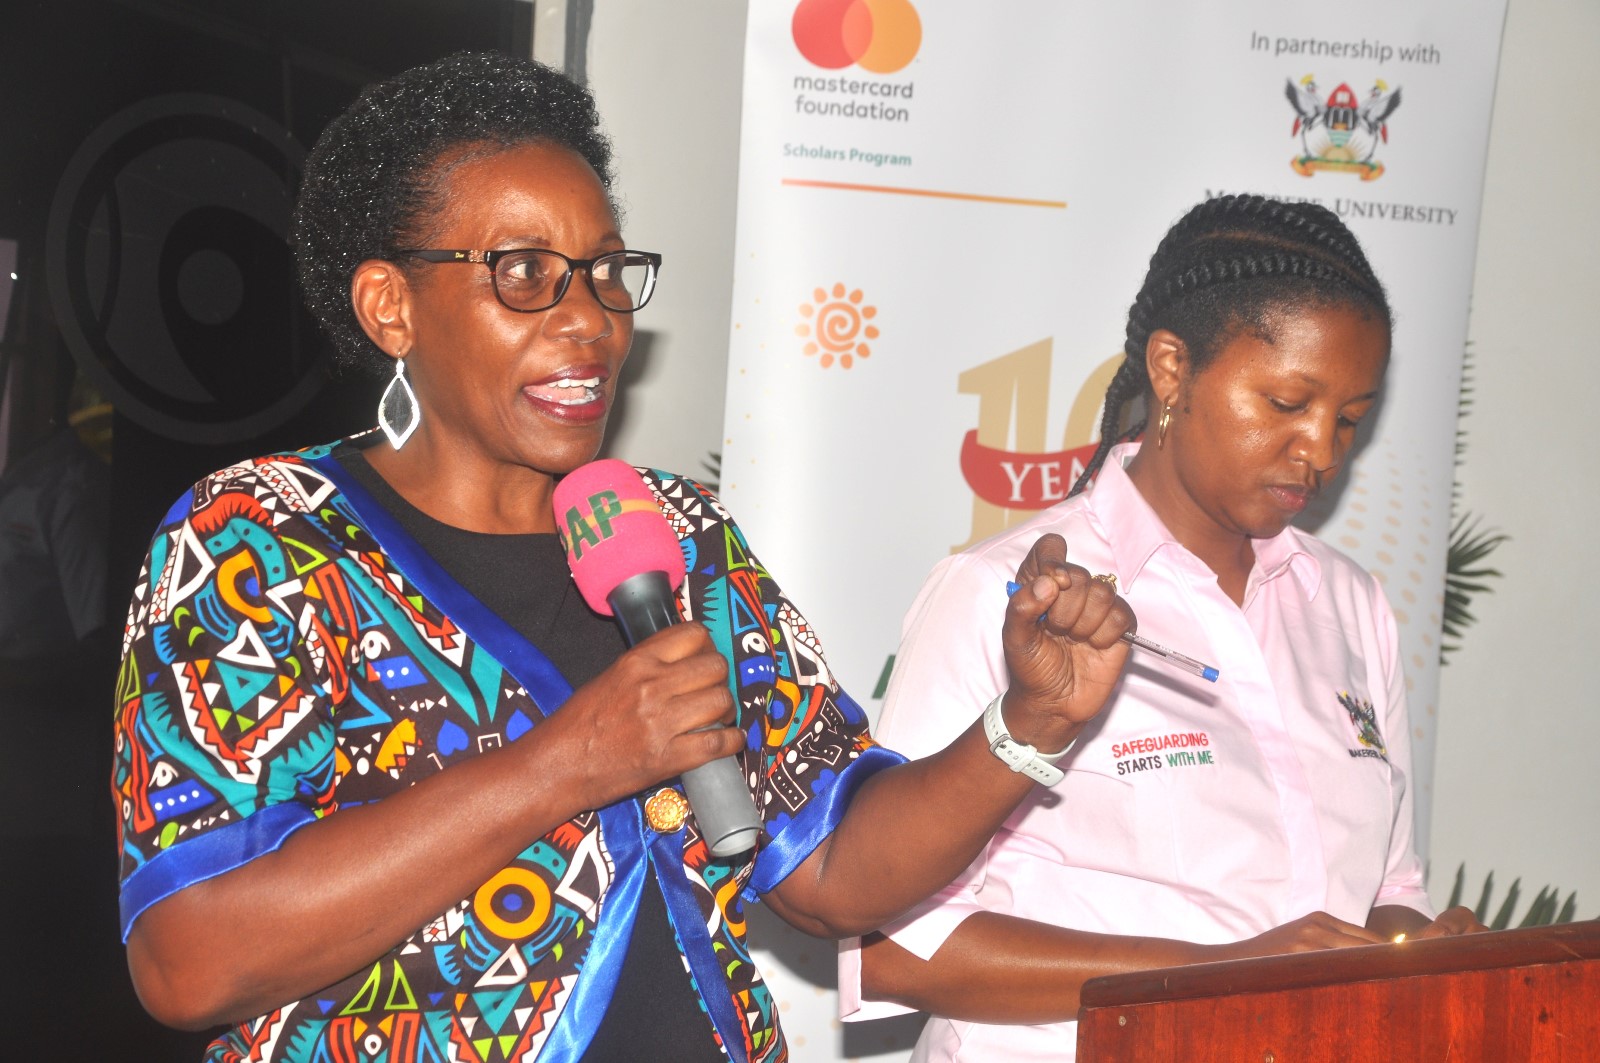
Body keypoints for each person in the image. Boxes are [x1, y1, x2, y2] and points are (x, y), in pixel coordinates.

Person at [111, 52, 1139, 1063]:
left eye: (606, 271)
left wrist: (1026, 722)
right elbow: (188, 961)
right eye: (524, 275)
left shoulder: (682, 534)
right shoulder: (259, 535)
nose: (589, 319)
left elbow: (830, 867)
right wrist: (566, 763)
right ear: (392, 306)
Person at [838, 193, 1488, 1061]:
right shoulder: (999, 593)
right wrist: (1216, 974)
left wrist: (1420, 954)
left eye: (1348, 420)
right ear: (1174, 370)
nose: (1323, 452)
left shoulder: (1351, 604)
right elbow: (891, 945)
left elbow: (1390, 885)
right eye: (1287, 401)